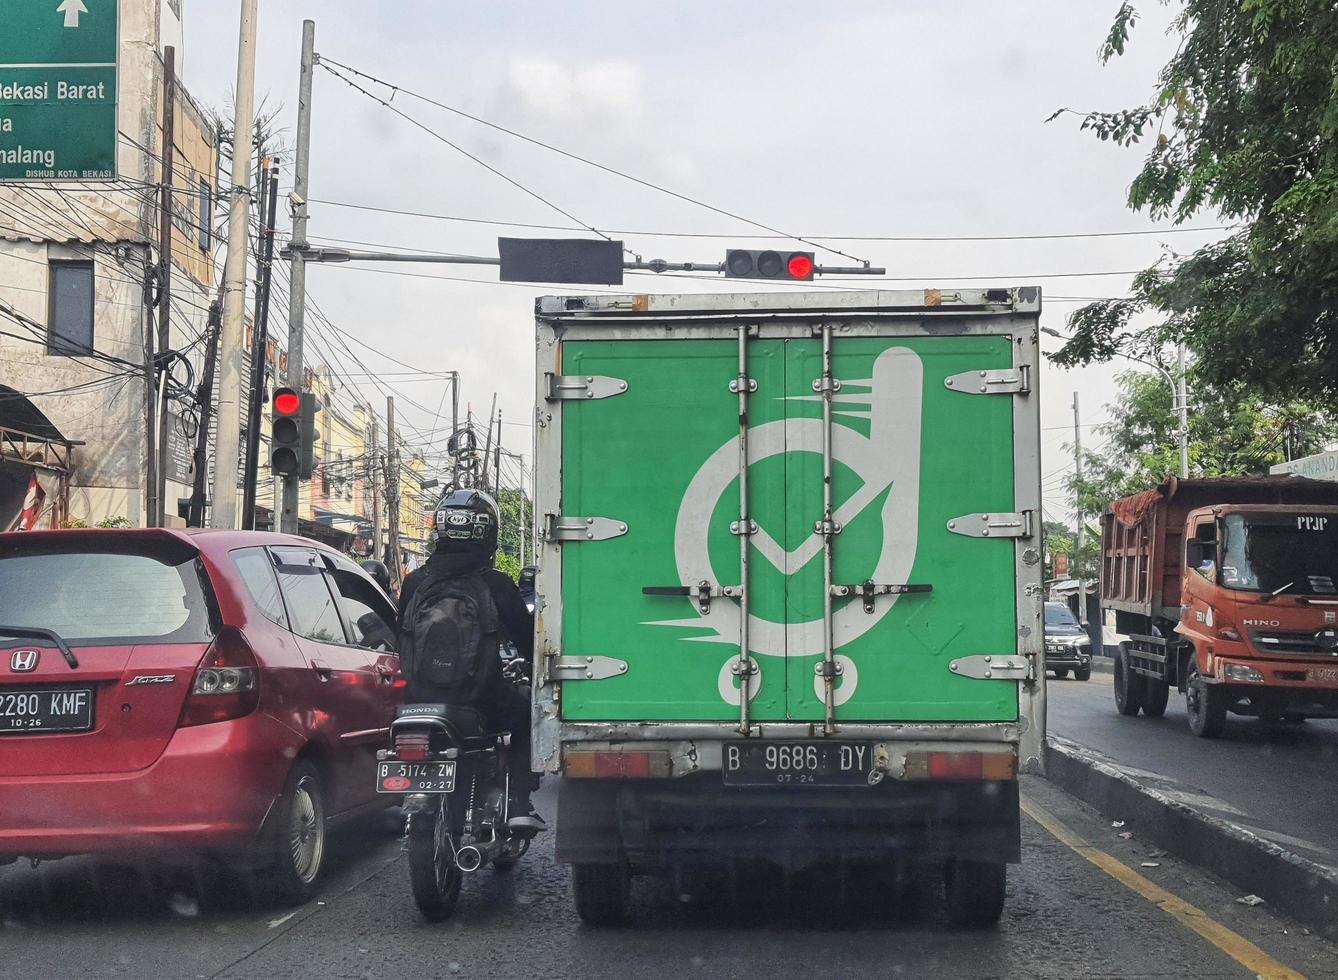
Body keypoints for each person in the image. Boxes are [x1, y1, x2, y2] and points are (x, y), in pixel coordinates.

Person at [398, 489, 545, 833]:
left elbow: (401, 634)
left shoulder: (415, 581)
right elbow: (527, 641)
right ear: (488, 534)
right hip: (478, 698)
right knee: (525, 714)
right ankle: (518, 803)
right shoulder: (495, 583)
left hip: (420, 700)